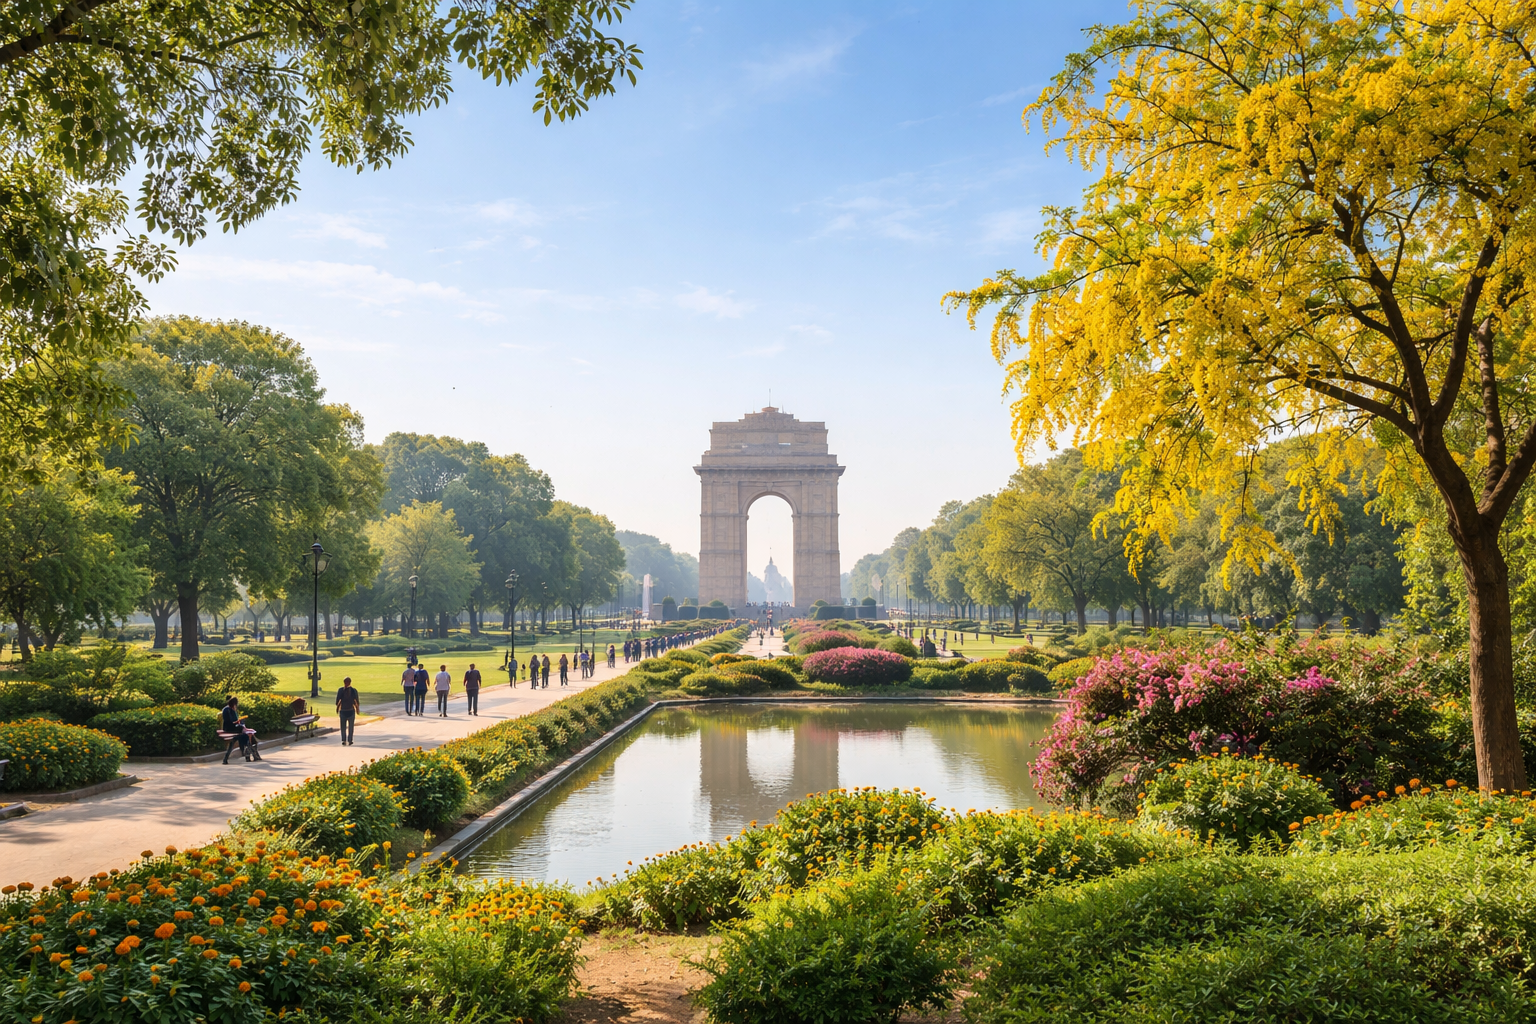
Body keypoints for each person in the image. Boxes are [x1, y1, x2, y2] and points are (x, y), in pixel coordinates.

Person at [221, 696, 260, 763]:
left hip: (231, 728)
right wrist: (238, 722)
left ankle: (226, 759)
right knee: (246, 736)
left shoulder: (228, 709)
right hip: (230, 729)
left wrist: (239, 722)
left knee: (235, 741)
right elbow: (230, 722)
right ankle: (249, 754)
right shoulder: (228, 710)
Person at [335, 677, 360, 745]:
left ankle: (349, 740)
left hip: (349, 711)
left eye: (347, 682)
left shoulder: (352, 690)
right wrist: (338, 708)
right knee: (345, 727)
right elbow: (338, 701)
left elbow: (356, 701)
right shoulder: (342, 690)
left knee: (349, 727)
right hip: (345, 710)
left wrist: (357, 709)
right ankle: (345, 740)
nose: (346, 684)